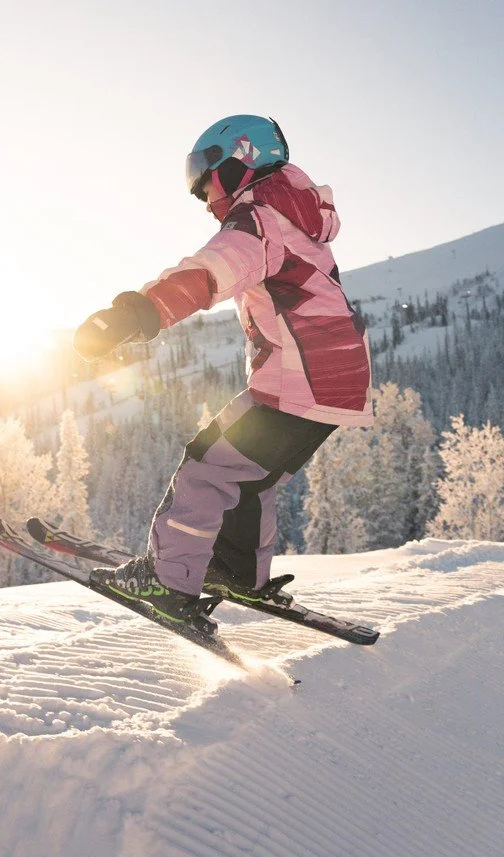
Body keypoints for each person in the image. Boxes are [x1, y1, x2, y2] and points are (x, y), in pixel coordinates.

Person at [73, 114, 373, 631]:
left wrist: (136, 314)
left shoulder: (259, 219)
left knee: (205, 466)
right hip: (332, 384)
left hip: (299, 381)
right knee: (251, 479)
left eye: (204, 175)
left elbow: (208, 272)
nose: (200, 193)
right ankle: (237, 571)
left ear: (241, 160)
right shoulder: (293, 214)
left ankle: (169, 580)